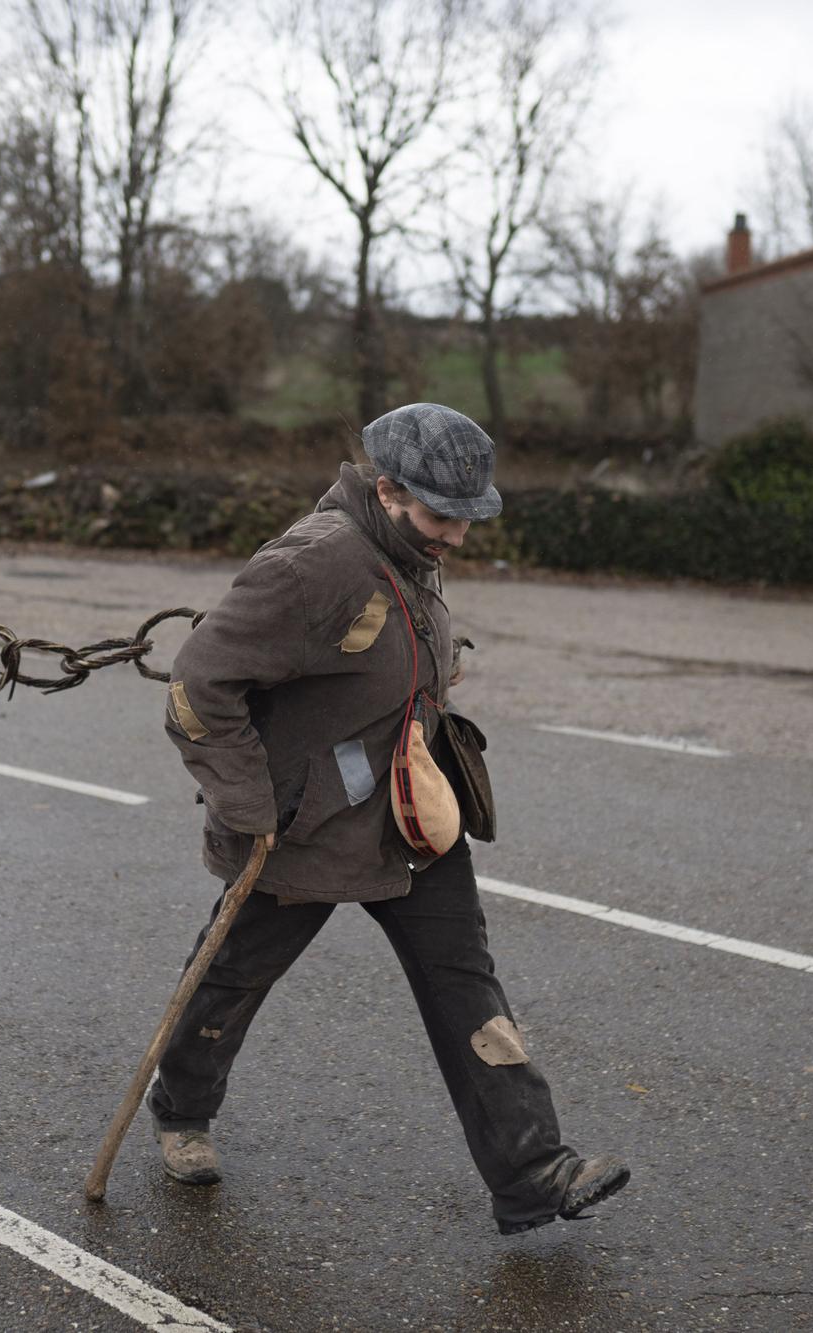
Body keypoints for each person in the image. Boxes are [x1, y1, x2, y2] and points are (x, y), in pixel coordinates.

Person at [150, 402, 628, 1236]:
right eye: (443, 515)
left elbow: (372, 647)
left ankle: (533, 1168)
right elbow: (197, 688)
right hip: (301, 827)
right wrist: (250, 806)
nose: (458, 535)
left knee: (465, 981)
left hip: (409, 810)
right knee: (233, 974)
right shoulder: (316, 563)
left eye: (468, 518)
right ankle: (181, 1108)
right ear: (386, 489)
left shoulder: (411, 547)